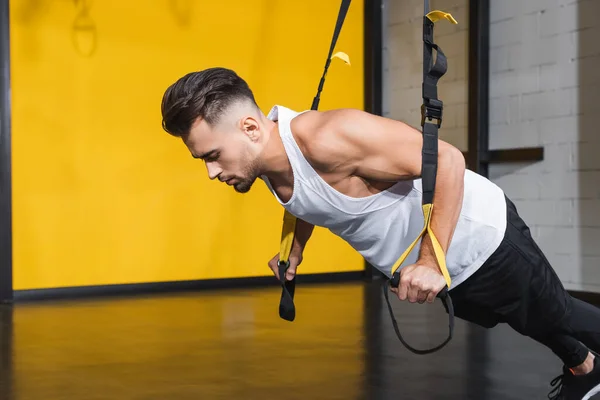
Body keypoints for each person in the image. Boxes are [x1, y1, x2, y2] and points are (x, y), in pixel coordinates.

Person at [160, 67, 600, 400]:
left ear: (251, 128)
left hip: (478, 238)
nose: (211, 172)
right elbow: (309, 198)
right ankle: (585, 371)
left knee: (556, 313)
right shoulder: (269, 165)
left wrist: (429, 260)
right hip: (442, 266)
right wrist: (294, 249)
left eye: (213, 155)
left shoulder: (330, 135)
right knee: (524, 316)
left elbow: (446, 160)